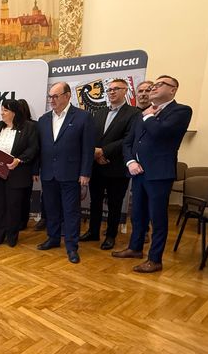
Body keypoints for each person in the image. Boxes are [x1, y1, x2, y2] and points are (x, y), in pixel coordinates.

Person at [113, 75, 192, 273]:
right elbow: (128, 142)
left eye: (159, 85)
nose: (153, 88)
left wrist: (148, 116)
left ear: (173, 89)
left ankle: (155, 259)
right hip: (137, 172)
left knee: (157, 218)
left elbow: (160, 132)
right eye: (153, 85)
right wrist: (130, 161)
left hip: (159, 173)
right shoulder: (142, 114)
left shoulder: (181, 111)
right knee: (137, 214)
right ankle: (135, 248)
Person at [35, 82, 95, 264]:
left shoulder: (83, 117)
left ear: (67, 96)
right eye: (50, 97)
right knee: (51, 209)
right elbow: (39, 148)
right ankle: (53, 238)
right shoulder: (43, 119)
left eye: (56, 96)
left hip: (71, 173)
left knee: (71, 212)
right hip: (48, 173)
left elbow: (88, 148)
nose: (52, 100)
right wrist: (36, 169)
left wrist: (85, 172)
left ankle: (71, 246)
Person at [79, 79, 141, 250]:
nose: (112, 92)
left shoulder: (134, 113)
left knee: (115, 203)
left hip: (117, 167)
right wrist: (96, 153)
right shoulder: (99, 112)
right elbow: (90, 136)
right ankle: (93, 232)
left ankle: (111, 235)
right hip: (97, 165)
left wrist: (104, 152)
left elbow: (128, 139)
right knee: (95, 201)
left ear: (125, 91)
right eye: (109, 89)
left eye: (116, 89)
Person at [0, 99, 39, 246]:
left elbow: (33, 149)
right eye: (1, 110)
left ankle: (12, 236)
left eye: (5, 110)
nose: (2, 113)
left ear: (14, 112)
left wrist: (19, 160)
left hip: (16, 173)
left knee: (13, 206)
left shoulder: (28, 127)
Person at [17, 99, 36, 230]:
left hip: (27, 167)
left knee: (25, 196)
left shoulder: (33, 125)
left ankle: (23, 221)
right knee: (16, 198)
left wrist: (35, 170)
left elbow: (35, 150)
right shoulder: (12, 126)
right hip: (12, 168)